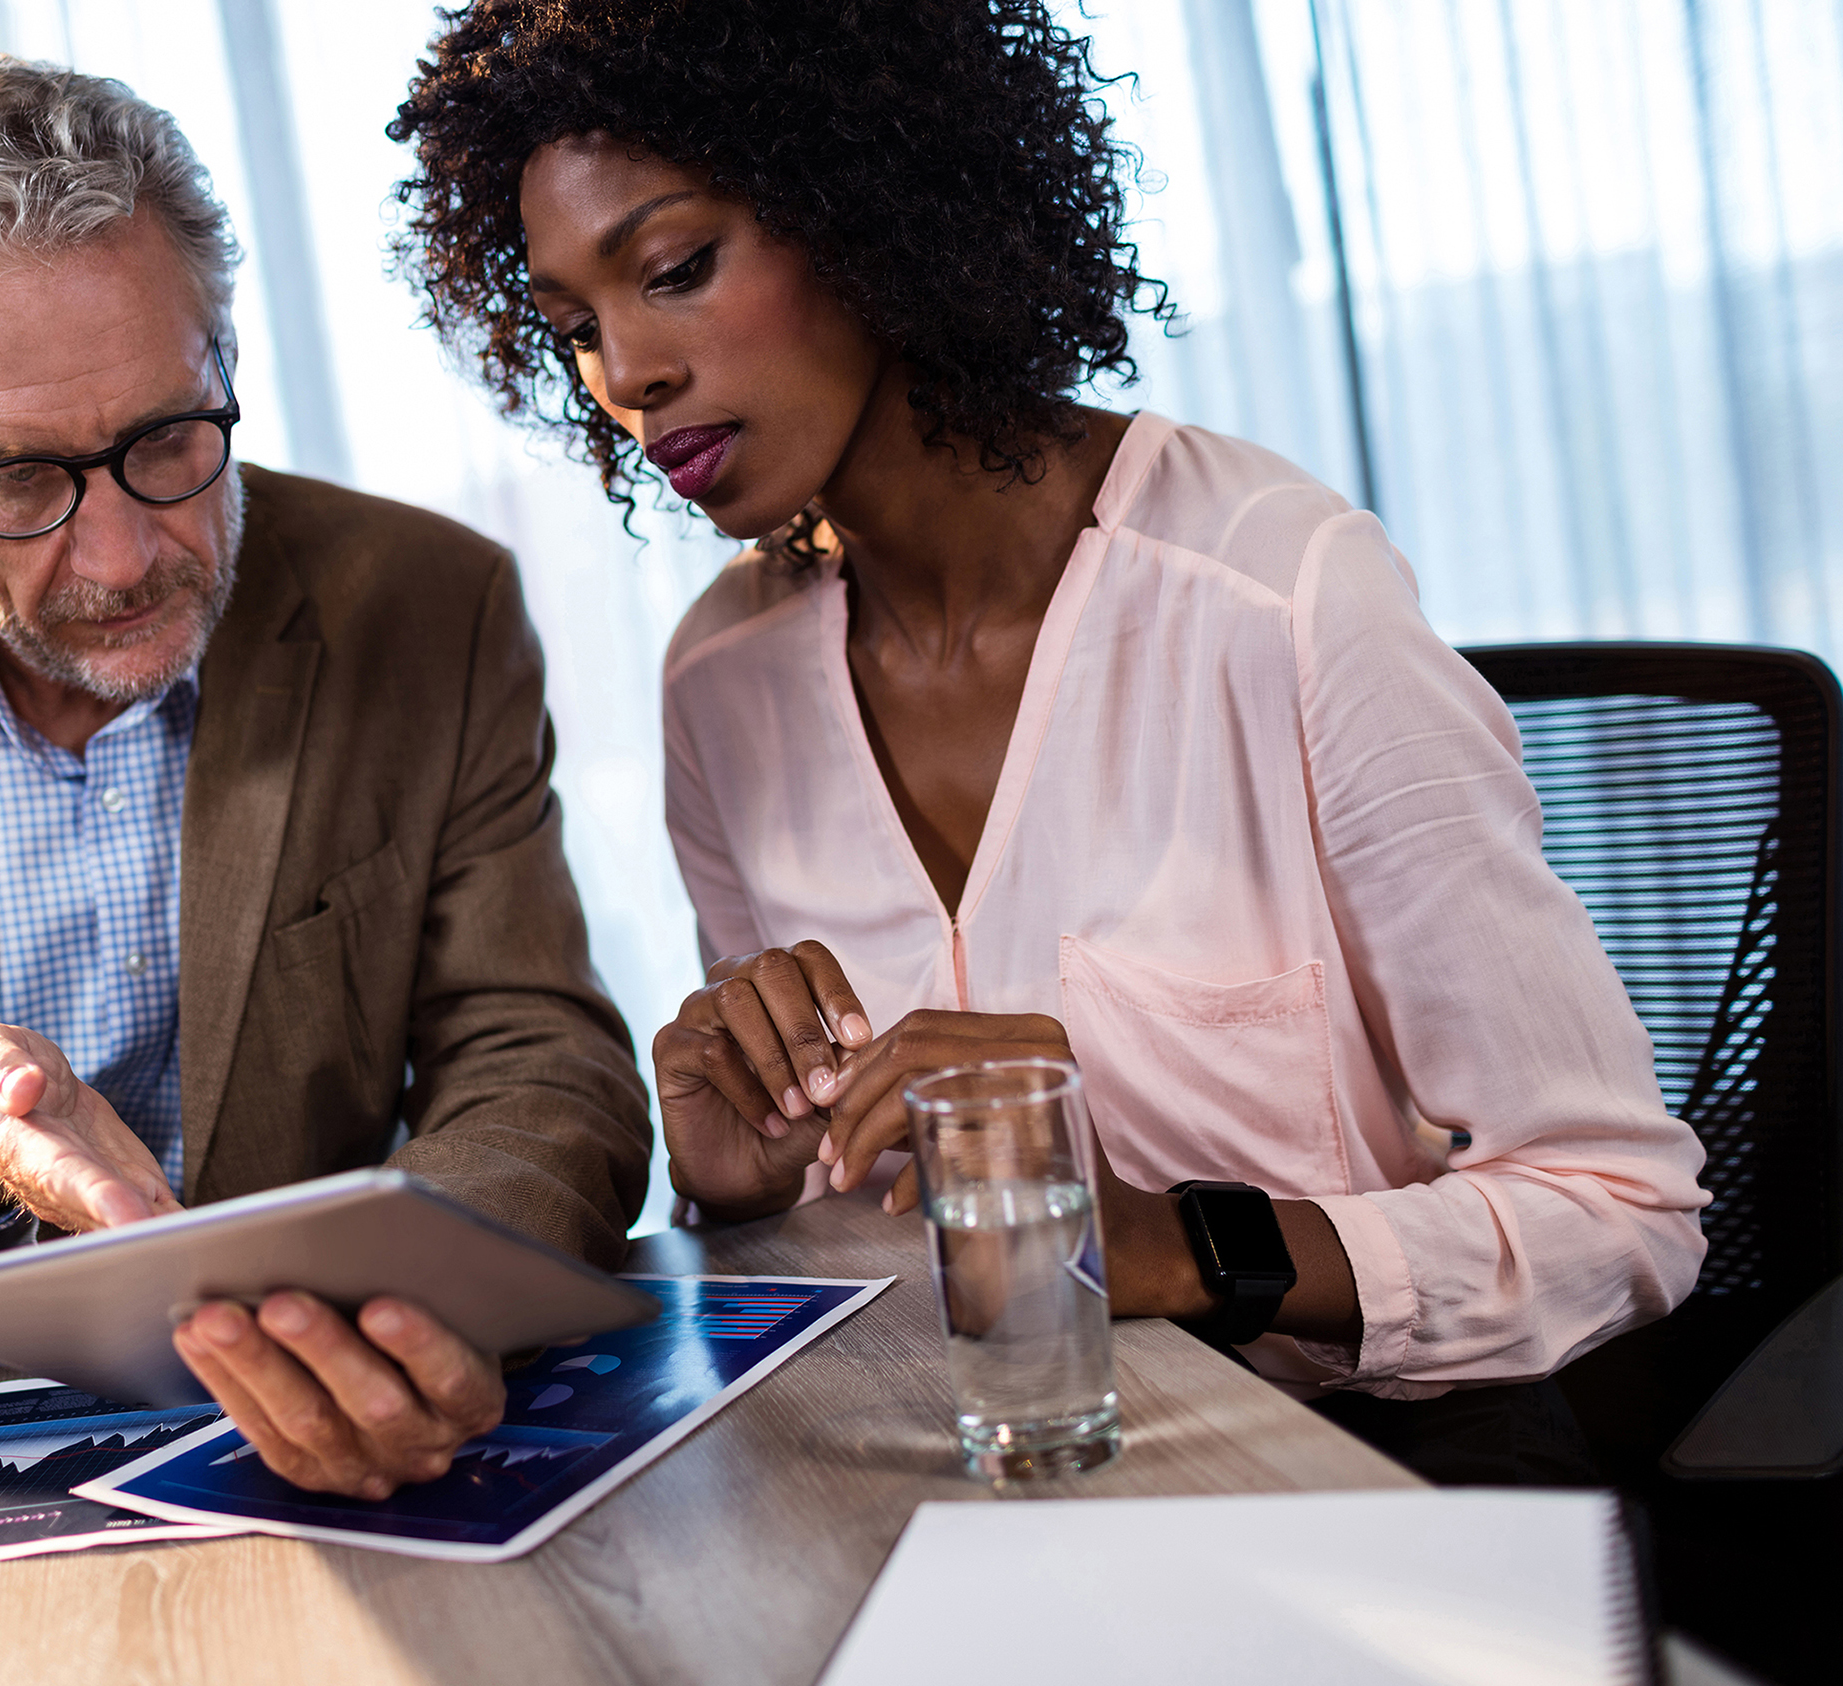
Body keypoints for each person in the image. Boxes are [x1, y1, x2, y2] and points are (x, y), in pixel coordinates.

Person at [389, 0, 1707, 1481]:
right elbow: (849, 1236)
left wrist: (1166, 1242)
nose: (625, 372)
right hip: (987, 1470)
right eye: (575, 327)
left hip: (1375, 1469)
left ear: (868, 203)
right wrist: (732, 1186)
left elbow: (1622, 1212)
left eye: (677, 270)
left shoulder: (1281, 598)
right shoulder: (724, 683)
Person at [0, 55, 649, 1500]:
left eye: (168, 440)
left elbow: (542, 1062)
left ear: (223, 356)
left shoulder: (428, 608)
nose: (127, 556)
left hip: (326, 1435)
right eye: (16, 482)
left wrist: (396, 1301)